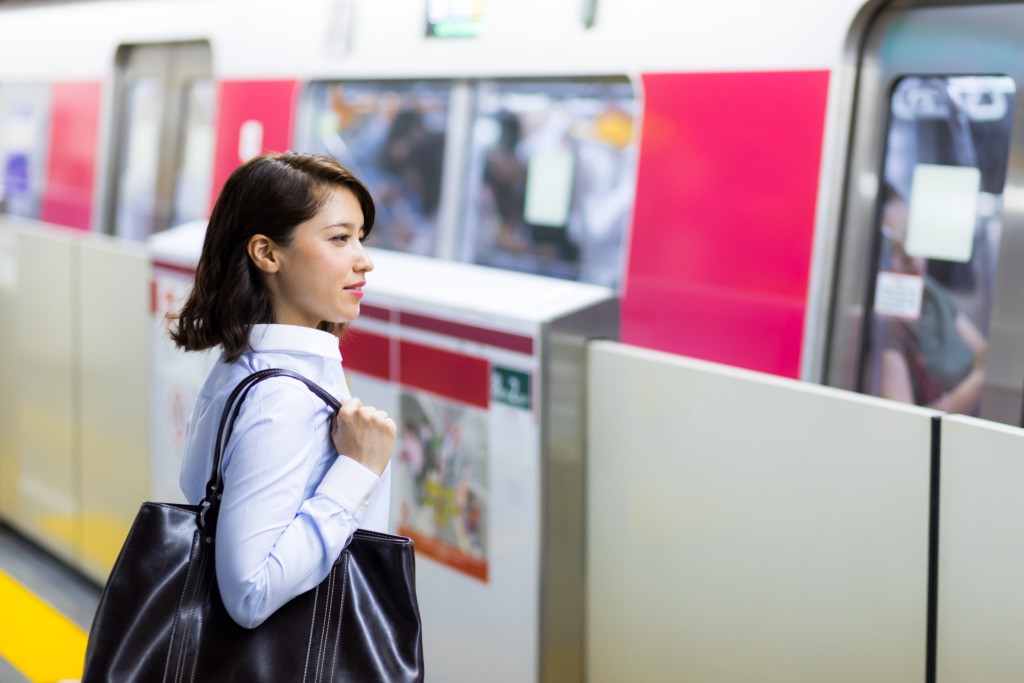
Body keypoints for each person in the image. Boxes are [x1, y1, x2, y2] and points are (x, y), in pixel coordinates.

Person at [170, 151, 396, 629]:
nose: (364, 261)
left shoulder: (245, 363)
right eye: (339, 238)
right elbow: (250, 591)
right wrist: (358, 470)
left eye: (360, 238)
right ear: (267, 253)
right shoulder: (282, 398)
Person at [876, 183, 988, 414]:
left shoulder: (931, 292)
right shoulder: (887, 325)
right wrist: (975, 385)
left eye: (912, 238)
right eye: (896, 249)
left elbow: (983, 351)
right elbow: (904, 421)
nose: (914, 259)